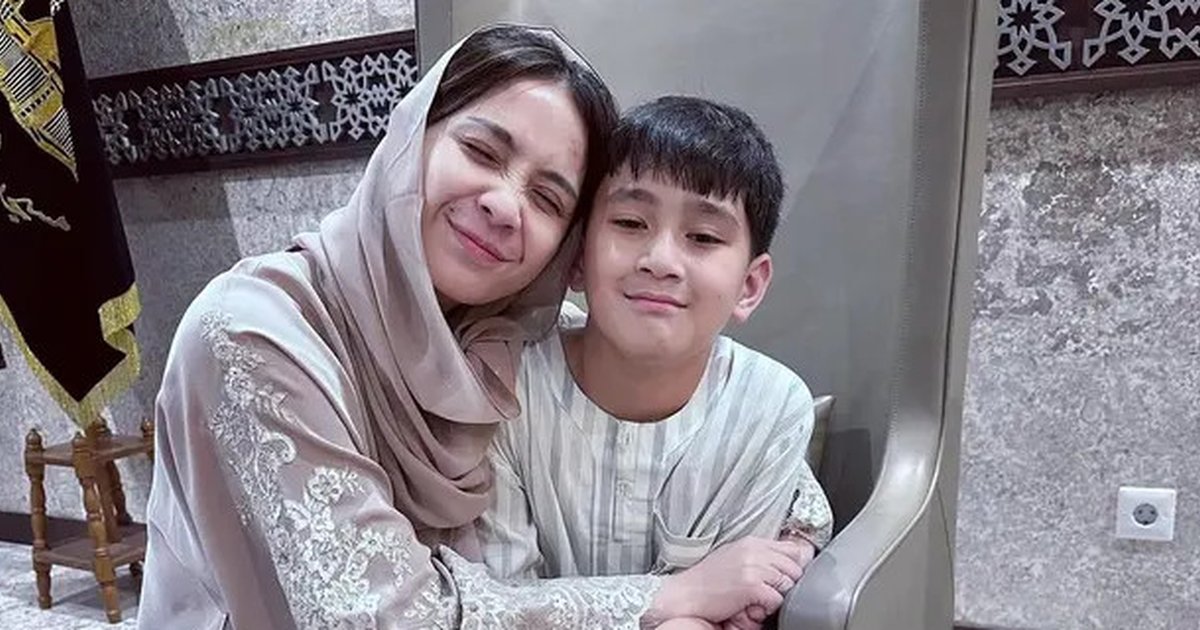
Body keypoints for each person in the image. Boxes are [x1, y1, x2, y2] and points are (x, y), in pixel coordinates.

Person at [134, 24, 715, 628]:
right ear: (412, 136)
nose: (504, 205)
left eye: (547, 200)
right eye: (482, 152)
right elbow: (389, 618)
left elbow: (695, 395)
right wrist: (663, 598)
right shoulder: (252, 333)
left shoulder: (504, 342)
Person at [479, 96, 834, 628]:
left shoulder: (770, 409)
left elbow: (730, 614)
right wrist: (685, 595)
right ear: (576, 257)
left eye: (703, 237)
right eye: (629, 222)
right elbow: (497, 607)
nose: (661, 261)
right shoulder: (508, 384)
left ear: (749, 285)